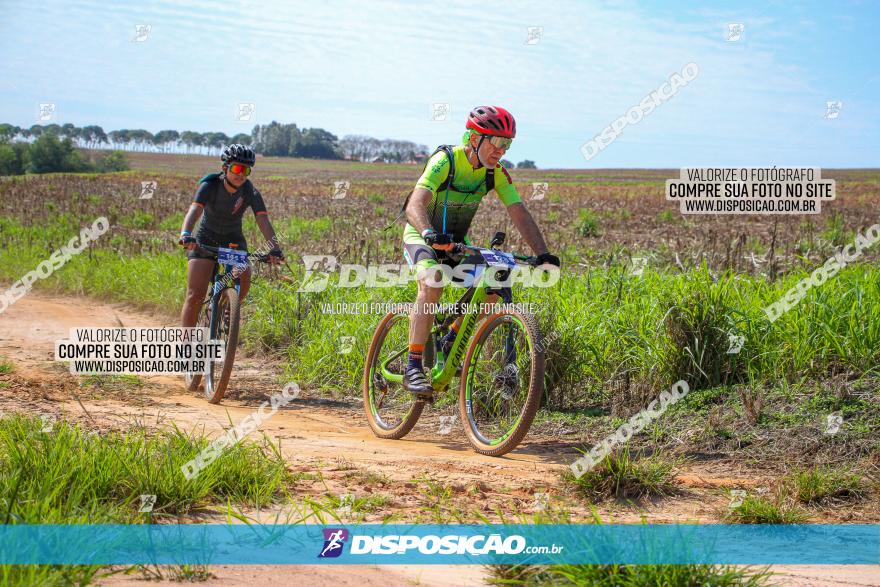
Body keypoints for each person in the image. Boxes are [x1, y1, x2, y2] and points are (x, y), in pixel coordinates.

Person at [401, 106, 560, 397]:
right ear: (474, 138)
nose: (502, 150)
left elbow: (518, 211)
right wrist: (427, 233)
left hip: (455, 242)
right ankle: (412, 366)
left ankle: (450, 338)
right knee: (433, 281)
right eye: (497, 142)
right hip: (421, 235)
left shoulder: (495, 173)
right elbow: (415, 204)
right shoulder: (446, 160)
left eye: (507, 144)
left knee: (494, 285)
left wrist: (543, 253)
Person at [178, 144, 283, 328]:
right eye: (237, 168)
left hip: (233, 241)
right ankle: (186, 350)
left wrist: (275, 248)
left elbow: (263, 220)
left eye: (246, 170)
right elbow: (195, 210)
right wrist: (186, 233)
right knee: (195, 296)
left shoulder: (250, 190)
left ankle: (230, 307)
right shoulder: (210, 184)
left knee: (244, 273)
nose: (241, 174)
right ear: (225, 167)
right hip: (205, 240)